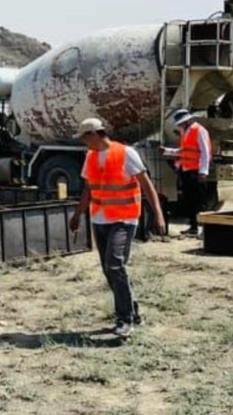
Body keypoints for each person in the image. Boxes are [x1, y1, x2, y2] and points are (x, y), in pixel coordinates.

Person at [69, 117, 166, 338]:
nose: (83, 142)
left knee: (114, 265)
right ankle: (132, 309)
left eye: (84, 137)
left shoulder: (126, 153)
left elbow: (146, 185)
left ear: (94, 134)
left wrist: (158, 214)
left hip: (124, 218)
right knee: (109, 269)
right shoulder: (90, 157)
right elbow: (88, 189)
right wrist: (77, 215)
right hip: (100, 219)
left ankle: (125, 319)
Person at [161, 109, 211, 236]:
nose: (180, 125)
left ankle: (205, 229)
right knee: (190, 200)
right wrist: (167, 151)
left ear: (189, 120)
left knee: (200, 201)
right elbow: (184, 151)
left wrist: (203, 171)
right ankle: (193, 227)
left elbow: (205, 152)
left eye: (182, 122)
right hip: (186, 170)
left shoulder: (199, 130)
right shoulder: (187, 132)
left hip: (196, 171)